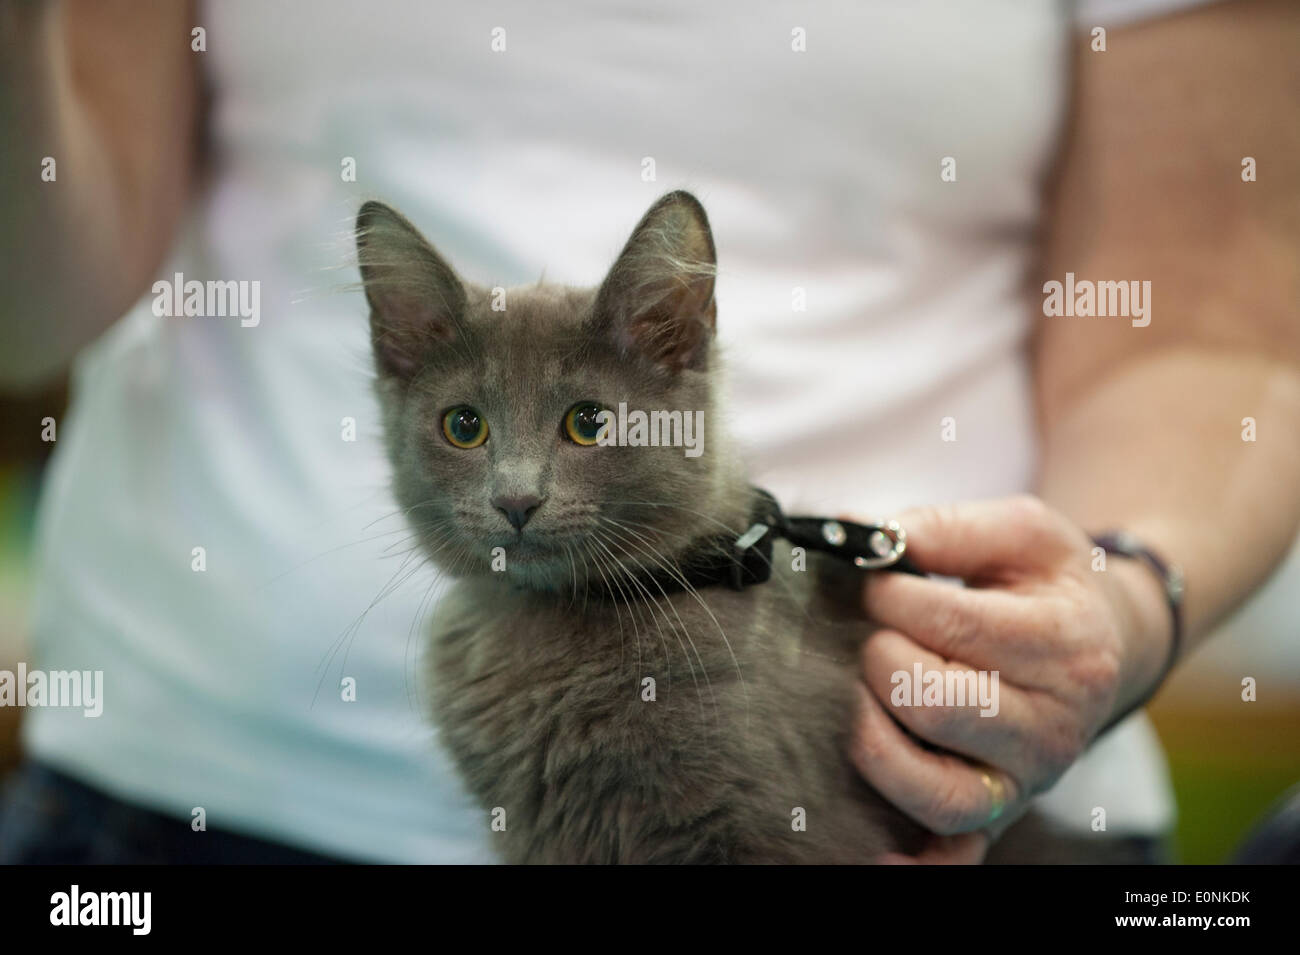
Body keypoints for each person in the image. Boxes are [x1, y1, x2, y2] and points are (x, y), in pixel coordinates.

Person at [1, 0, 1296, 864]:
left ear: (684, 348)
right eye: (460, 427)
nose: (512, 487)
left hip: (986, 789)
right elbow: (35, 293)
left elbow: (1218, 323)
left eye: (576, 428)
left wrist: (1127, 602)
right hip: (183, 797)